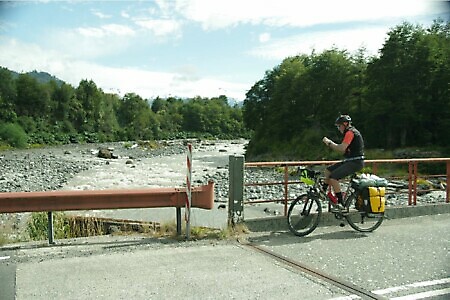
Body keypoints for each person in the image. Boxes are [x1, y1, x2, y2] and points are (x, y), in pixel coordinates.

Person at [322, 114, 364, 209]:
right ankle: (322, 191)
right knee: (328, 170)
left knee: (333, 178)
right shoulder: (348, 132)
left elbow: (341, 148)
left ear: (345, 124)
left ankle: (341, 203)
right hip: (350, 160)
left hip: (355, 162)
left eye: (339, 126)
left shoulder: (350, 133)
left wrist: (329, 143)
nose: (338, 128)